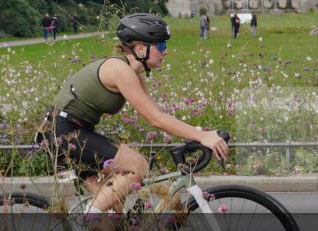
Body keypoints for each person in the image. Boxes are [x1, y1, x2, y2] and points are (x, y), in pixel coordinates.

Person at [52, 13, 229, 215]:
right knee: (137, 166)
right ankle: (89, 218)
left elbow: (159, 114)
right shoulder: (120, 70)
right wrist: (202, 136)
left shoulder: (132, 72)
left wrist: (199, 133)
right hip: (63, 133)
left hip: (78, 133)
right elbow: (155, 119)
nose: (165, 51)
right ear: (140, 49)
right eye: (161, 46)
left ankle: (94, 228)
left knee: (113, 217)